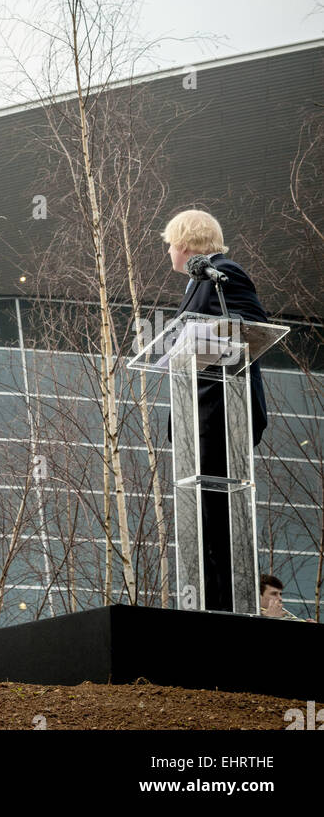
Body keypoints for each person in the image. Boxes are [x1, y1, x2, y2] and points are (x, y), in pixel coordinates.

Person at [162, 208, 268, 613]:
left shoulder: (225, 272)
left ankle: (226, 609)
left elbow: (250, 326)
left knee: (221, 521)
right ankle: (209, 606)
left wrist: (197, 343)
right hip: (199, 417)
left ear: (186, 243)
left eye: (171, 243)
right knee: (205, 521)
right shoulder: (199, 281)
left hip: (223, 411)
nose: (170, 251)